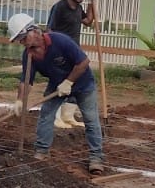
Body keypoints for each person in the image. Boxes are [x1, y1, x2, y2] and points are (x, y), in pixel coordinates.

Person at [6, 12, 106, 174]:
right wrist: (19, 100)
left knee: (91, 119)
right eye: (19, 40)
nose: (22, 42)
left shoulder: (60, 41)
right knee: (46, 114)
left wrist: (69, 82)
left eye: (23, 38)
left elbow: (84, 62)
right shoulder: (29, 55)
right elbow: (26, 80)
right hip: (56, 85)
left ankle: (96, 158)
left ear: (34, 31)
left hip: (82, 83)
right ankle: (41, 152)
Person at [46, 0, 98, 130]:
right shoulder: (59, 7)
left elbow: (88, 21)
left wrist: (92, 1)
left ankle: (67, 116)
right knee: (59, 83)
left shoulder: (79, 8)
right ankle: (55, 117)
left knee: (77, 82)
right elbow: (49, 30)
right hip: (60, 53)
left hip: (74, 53)